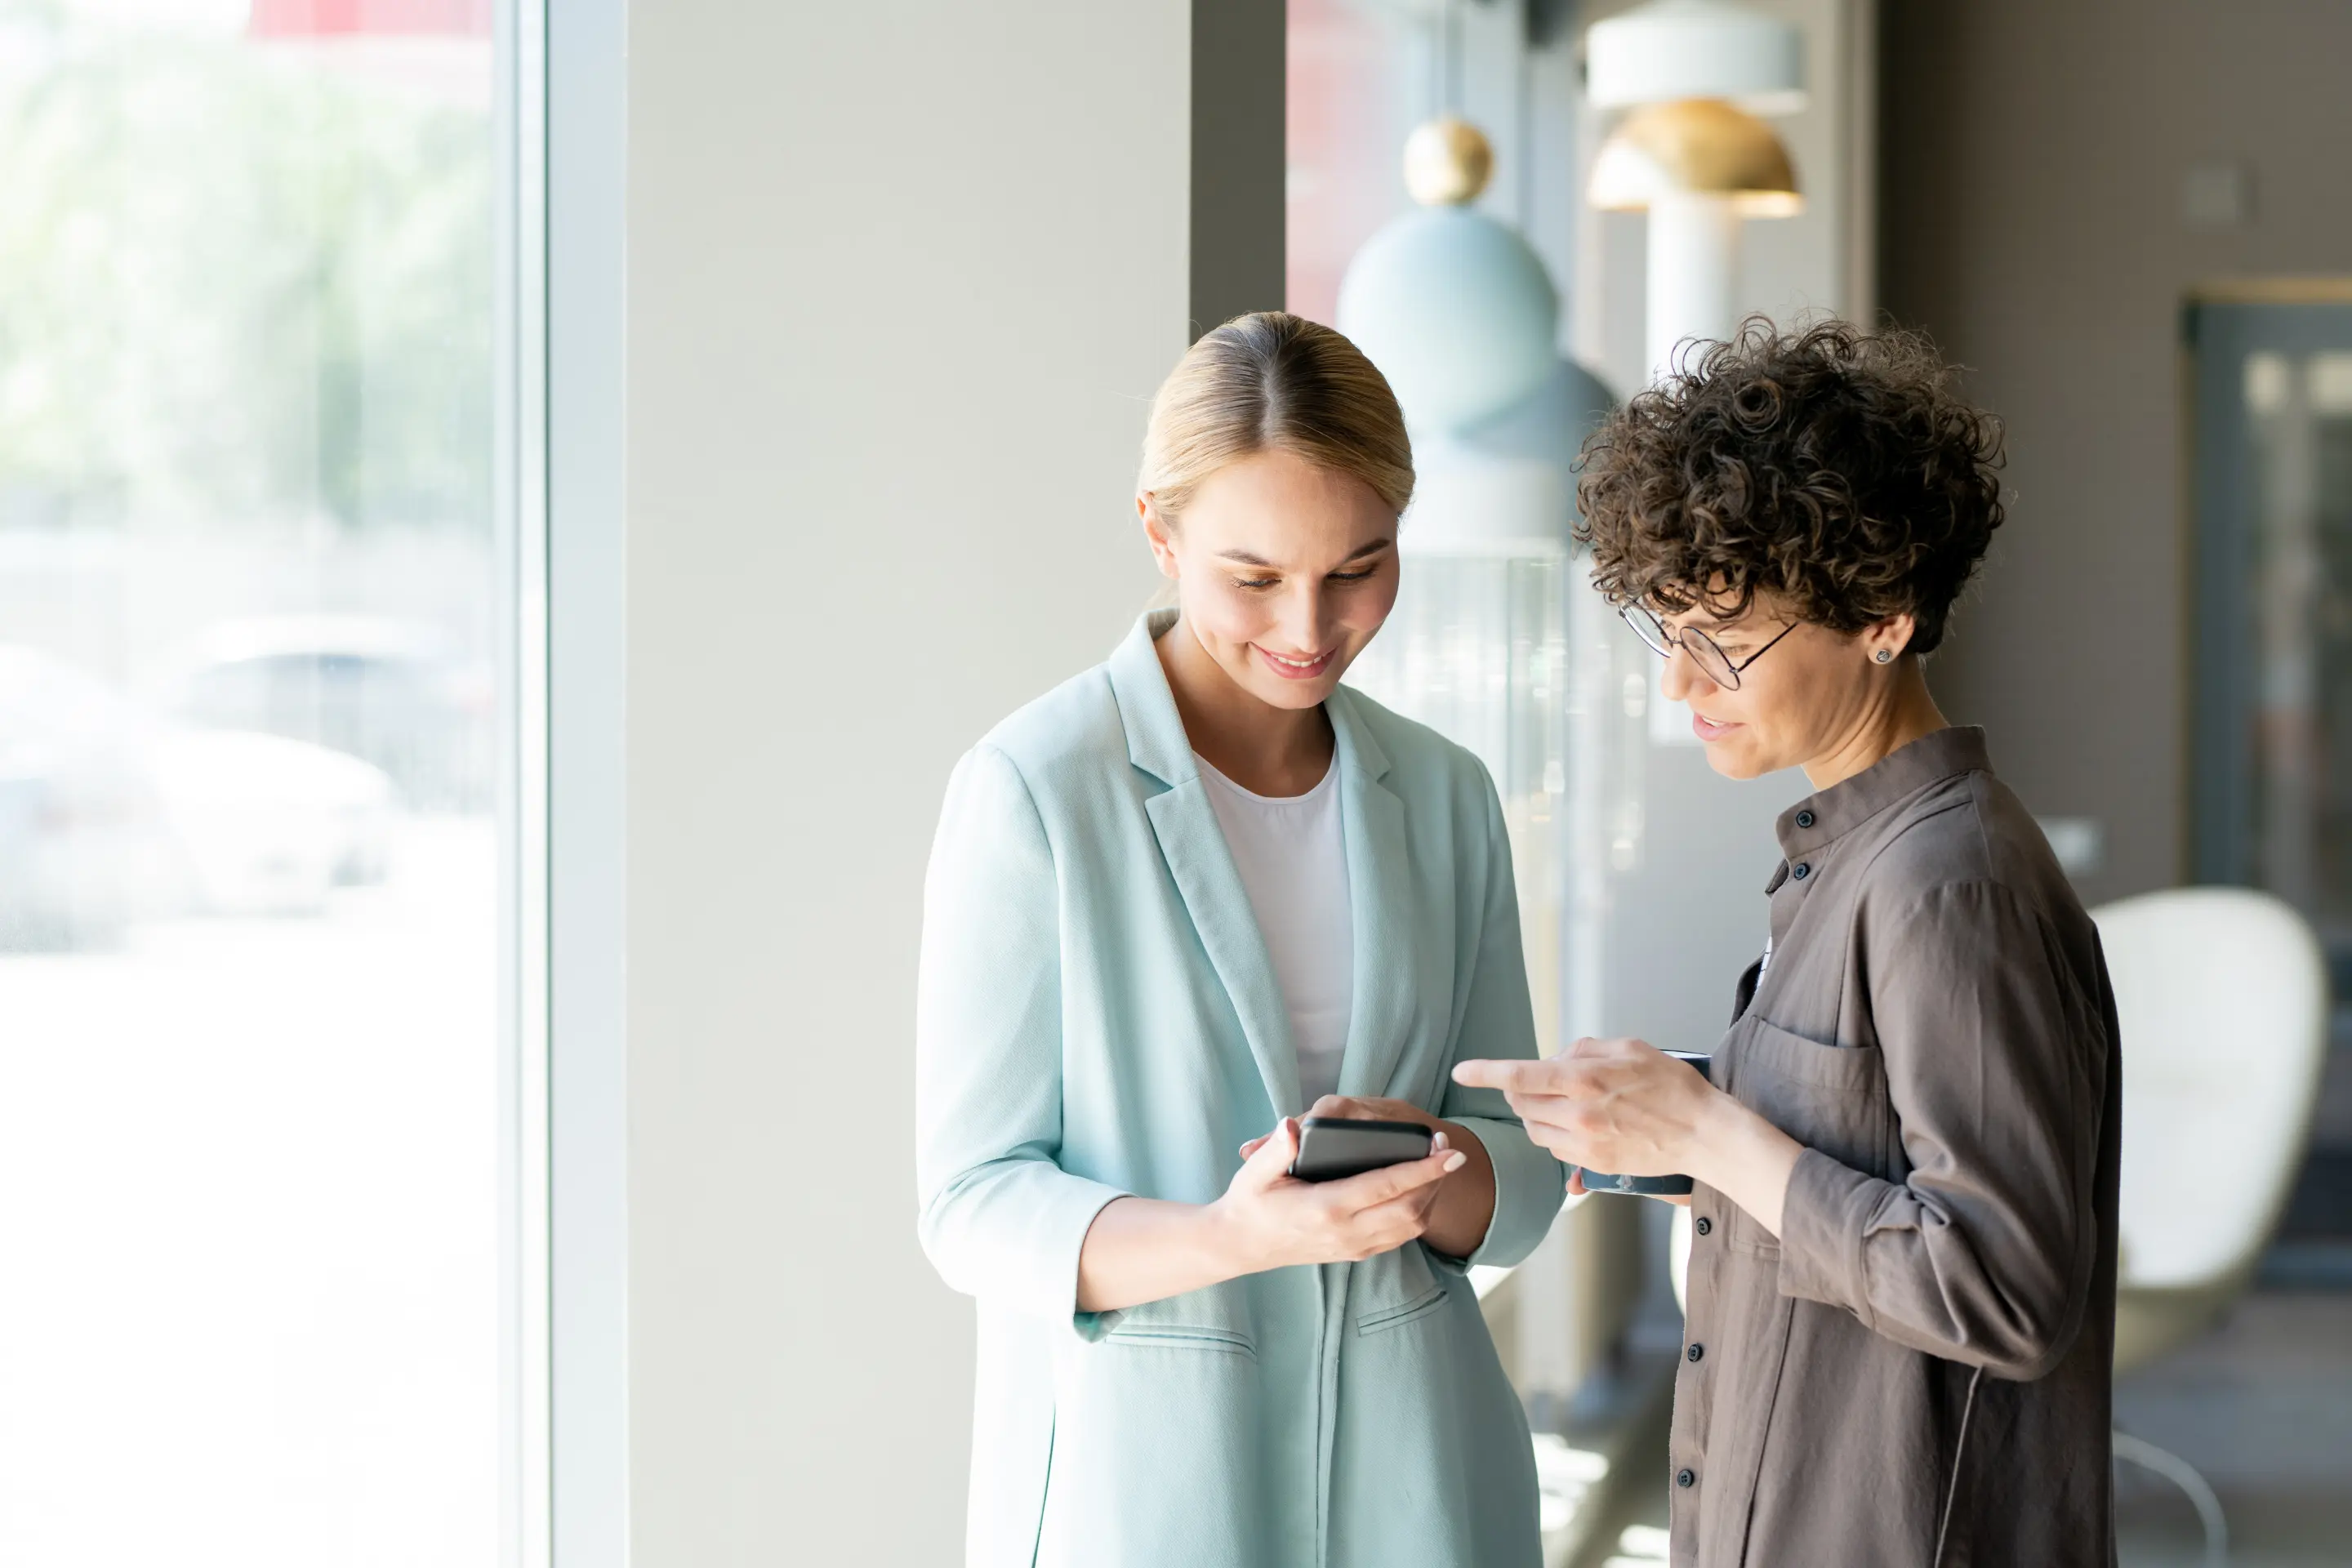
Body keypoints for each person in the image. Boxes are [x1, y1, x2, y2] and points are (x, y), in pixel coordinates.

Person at [1456, 321, 2121, 1567]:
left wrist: (1712, 1134)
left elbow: (2002, 1288)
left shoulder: (1948, 885)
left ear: (1883, 613)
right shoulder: (1851, 854)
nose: (1684, 685)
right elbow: (1862, 1141)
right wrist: (1655, 1117)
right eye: (1671, 634)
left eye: (1727, 640)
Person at [915, 311, 1566, 1568]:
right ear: (1159, 532)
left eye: (1360, 566)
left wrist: (1444, 1168)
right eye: (1255, 578)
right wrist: (1238, 1234)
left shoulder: (1445, 793)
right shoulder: (1036, 790)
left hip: (1421, 1483)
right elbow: (972, 1202)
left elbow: (1521, 1172)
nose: (1310, 627)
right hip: (1151, 1490)